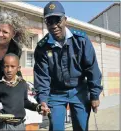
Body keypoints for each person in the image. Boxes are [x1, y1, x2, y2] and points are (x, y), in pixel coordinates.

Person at [33, 1, 103, 131]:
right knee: (56, 127)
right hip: (56, 93)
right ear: (46, 23)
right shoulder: (42, 48)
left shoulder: (81, 40)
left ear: (65, 20)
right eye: (49, 21)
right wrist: (42, 99)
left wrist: (94, 95)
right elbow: (42, 77)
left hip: (79, 90)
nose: (54, 26)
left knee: (81, 127)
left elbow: (92, 68)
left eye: (57, 20)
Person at [0, 53, 44, 131]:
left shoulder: (22, 84)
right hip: (4, 126)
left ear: (18, 68)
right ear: (2, 68)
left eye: (12, 66)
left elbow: (25, 102)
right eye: (6, 66)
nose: (9, 70)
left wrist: (38, 107)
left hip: (20, 125)